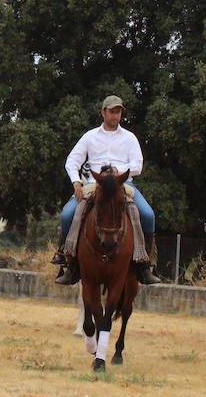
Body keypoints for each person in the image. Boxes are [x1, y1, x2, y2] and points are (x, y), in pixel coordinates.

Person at [53, 95, 160, 285]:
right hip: (94, 183)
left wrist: (122, 171)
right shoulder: (90, 136)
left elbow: (138, 165)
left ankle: (145, 265)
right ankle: (66, 259)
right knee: (67, 214)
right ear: (103, 112)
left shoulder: (129, 138)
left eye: (118, 111)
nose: (115, 115)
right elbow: (72, 161)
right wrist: (76, 182)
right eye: (111, 111)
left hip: (122, 183)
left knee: (148, 215)